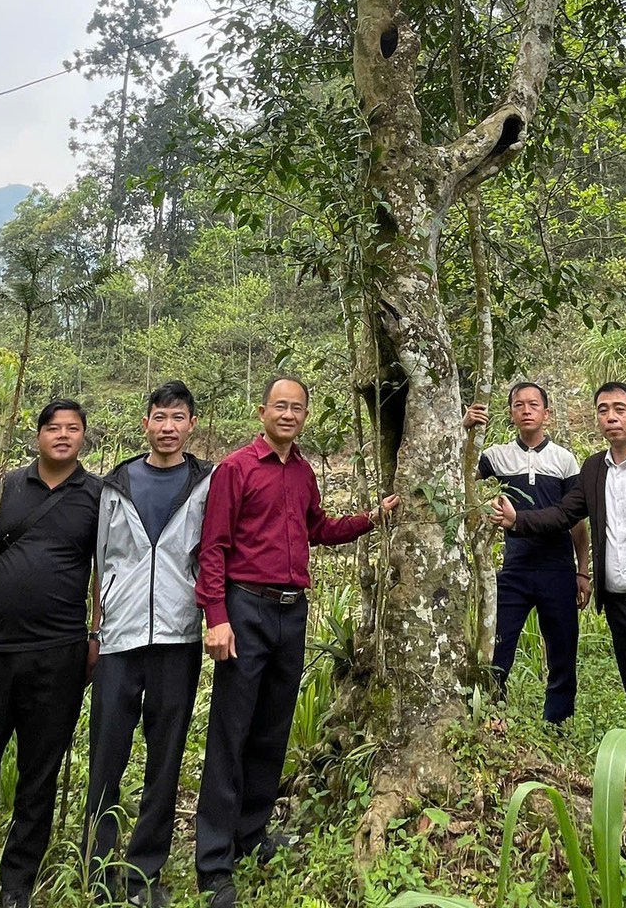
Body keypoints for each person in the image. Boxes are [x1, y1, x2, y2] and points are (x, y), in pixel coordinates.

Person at [194, 375, 398, 908]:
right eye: (279, 406)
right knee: (231, 730)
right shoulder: (236, 469)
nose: (288, 415)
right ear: (262, 411)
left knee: (273, 726)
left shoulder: (304, 472)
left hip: (291, 612)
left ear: (305, 416)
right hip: (244, 608)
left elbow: (319, 528)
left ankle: (253, 834)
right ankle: (213, 862)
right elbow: (212, 548)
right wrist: (216, 616)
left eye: (297, 408)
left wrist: (372, 518)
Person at [494, 381, 626, 770]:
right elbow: (564, 514)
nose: (611, 417)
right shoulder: (593, 468)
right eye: (602, 410)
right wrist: (517, 519)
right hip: (620, 607)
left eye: (619, 409)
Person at [0, 400, 102, 908]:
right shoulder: (5, 486)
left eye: (72, 429)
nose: (62, 436)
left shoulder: (97, 494)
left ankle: (16, 883)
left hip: (59, 653)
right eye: (53, 427)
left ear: (83, 438)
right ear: (38, 436)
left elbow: (105, 570)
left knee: (40, 769)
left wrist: (97, 635)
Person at [84, 381, 216, 906]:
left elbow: (213, 552)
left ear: (191, 425)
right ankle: (97, 872)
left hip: (178, 636)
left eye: (177, 417)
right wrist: (95, 628)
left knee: (165, 759)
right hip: (118, 637)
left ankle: (145, 875)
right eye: (159, 416)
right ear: (146, 424)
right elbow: (99, 561)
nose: (167, 427)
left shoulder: (207, 482)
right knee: (106, 756)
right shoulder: (113, 485)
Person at [464, 380, 590, 724]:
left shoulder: (564, 460)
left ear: (546, 413)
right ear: (510, 414)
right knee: (498, 649)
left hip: (558, 568)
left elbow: (576, 520)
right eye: (519, 405)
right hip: (514, 569)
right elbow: (459, 474)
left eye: (534, 404)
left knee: (562, 651)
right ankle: (492, 716)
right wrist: (465, 430)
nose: (526, 410)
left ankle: (558, 723)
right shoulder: (497, 456)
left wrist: (583, 570)